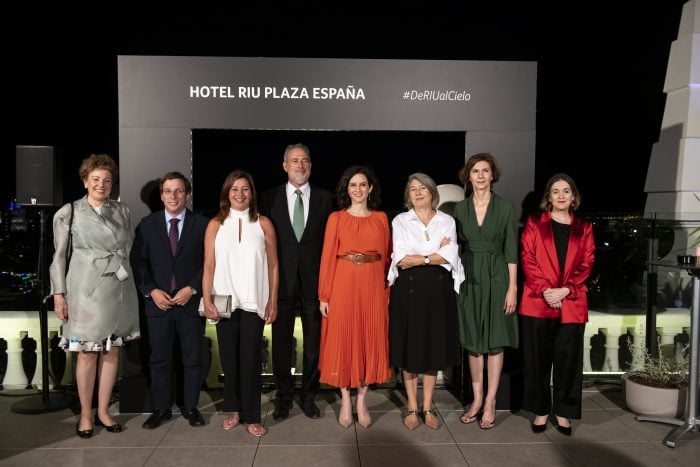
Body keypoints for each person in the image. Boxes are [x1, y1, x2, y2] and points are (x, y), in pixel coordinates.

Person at [49, 154, 140, 438]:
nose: (102, 185)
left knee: (112, 350)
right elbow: (59, 257)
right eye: (96, 179)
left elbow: (129, 247)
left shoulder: (123, 210)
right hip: (85, 291)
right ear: (86, 181)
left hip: (119, 286)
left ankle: (103, 411)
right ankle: (86, 413)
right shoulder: (69, 212)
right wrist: (59, 294)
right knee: (87, 353)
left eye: (107, 180)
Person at [201, 170, 279, 437]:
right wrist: (207, 298)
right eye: (234, 189)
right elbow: (208, 265)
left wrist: (273, 300)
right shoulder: (215, 224)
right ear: (227, 193)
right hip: (224, 303)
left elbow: (273, 264)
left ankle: (253, 416)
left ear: (252, 193)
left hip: (254, 302)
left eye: (245, 189)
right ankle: (234, 409)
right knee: (229, 360)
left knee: (251, 360)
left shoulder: (263, 223)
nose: (240, 194)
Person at [260, 143, 333, 421]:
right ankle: (283, 397)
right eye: (294, 160)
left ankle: (309, 396)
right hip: (282, 283)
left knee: (314, 344)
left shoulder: (326, 199)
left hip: (316, 284)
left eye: (304, 160)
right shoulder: (269, 197)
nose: (300, 165)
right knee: (280, 344)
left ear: (310, 166)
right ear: (284, 165)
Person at [131, 172, 209, 429]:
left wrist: (193, 288)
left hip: (189, 303)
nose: (173, 196)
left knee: (192, 359)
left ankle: (191, 407)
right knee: (159, 359)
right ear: (162, 195)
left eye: (178, 191)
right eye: (168, 191)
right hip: (159, 304)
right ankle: (162, 409)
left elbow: (210, 262)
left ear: (187, 194)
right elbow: (139, 263)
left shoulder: (202, 224)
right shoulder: (147, 224)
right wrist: (151, 291)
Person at [519, 174, 594, 436]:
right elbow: (527, 258)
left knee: (569, 362)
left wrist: (565, 290)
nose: (561, 195)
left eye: (566, 191)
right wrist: (547, 291)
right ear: (548, 198)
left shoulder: (584, 228)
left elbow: (587, 262)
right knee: (536, 361)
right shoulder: (533, 223)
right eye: (555, 191)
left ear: (573, 197)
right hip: (538, 301)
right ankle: (540, 410)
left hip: (571, 302)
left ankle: (564, 412)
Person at [388, 173, 464, 430]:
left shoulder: (447, 221)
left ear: (433, 192)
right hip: (407, 291)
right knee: (410, 350)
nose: (418, 193)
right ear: (408, 195)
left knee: (432, 349)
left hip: (438, 292)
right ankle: (411, 406)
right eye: (412, 189)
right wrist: (434, 253)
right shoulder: (400, 220)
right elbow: (401, 258)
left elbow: (450, 255)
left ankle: (428, 406)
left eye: (423, 188)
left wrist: (421, 255)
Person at [318, 165, 391, 429]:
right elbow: (327, 257)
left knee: (368, 339)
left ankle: (362, 400)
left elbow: (388, 256)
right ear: (346, 190)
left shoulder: (381, 218)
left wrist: (387, 290)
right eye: (353, 185)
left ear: (370, 188)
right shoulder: (336, 218)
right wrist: (324, 295)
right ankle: (346, 400)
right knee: (345, 339)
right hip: (344, 283)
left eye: (362, 185)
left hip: (373, 286)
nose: (358, 190)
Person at [453, 153, 518, 430]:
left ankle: (491, 401)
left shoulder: (505, 207)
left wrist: (512, 288)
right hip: (468, 276)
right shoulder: (459, 209)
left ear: (493, 176)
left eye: (485, 171)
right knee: (473, 340)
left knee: (494, 341)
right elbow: (455, 248)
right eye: (475, 171)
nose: (480, 175)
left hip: (497, 276)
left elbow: (511, 250)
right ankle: (476, 399)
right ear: (468, 176)